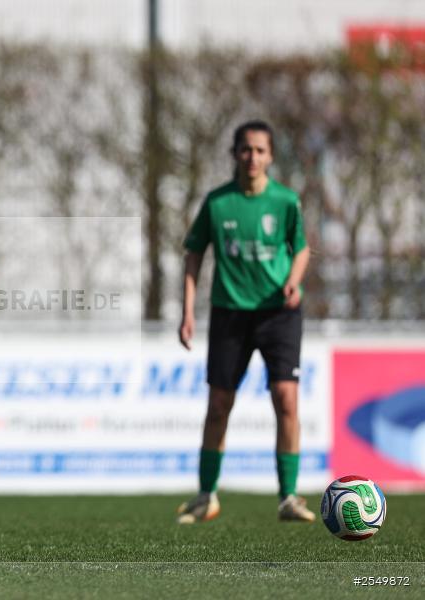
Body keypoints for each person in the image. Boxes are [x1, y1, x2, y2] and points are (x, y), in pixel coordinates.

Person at [176, 120, 315, 524]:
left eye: (260, 150)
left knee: (286, 399)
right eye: (245, 149)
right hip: (230, 313)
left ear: (270, 156)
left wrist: (293, 281)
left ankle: (288, 497)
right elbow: (193, 255)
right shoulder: (218, 203)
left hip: (279, 314)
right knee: (219, 404)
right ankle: (206, 496)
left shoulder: (286, 201)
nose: (252, 157)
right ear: (234, 154)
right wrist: (187, 310)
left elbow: (302, 250)